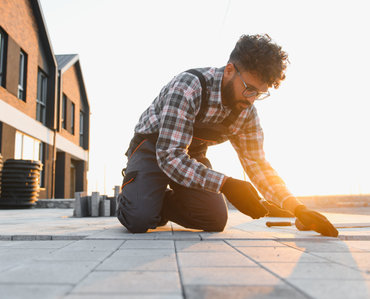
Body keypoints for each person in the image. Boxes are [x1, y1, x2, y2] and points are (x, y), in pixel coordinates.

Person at [117, 34, 338, 237]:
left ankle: (155, 202)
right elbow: (170, 156)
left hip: (190, 155)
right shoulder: (189, 86)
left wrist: (296, 207)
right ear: (230, 70)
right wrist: (226, 184)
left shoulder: (246, 113)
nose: (251, 99)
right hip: (153, 149)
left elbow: (257, 164)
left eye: (259, 93)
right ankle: (137, 198)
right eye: (249, 89)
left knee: (214, 219)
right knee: (139, 219)